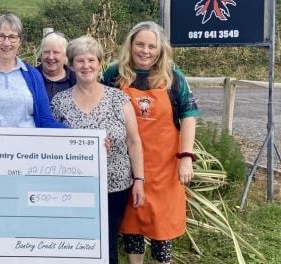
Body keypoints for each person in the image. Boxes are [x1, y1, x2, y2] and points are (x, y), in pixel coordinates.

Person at [103, 21, 200, 264]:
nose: (145, 51)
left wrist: (186, 157)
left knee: (162, 227)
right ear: (130, 45)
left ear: (160, 49)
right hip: (126, 165)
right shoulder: (114, 74)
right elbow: (100, 107)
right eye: (140, 45)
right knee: (132, 225)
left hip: (164, 167)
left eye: (151, 46)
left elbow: (188, 116)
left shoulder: (173, 76)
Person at [50, 36, 145, 264]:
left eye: (91, 60)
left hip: (114, 185)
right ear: (71, 65)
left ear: (100, 63)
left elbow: (134, 141)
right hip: (73, 186)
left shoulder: (118, 99)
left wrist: (139, 179)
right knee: (77, 242)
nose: (86, 66)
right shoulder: (59, 102)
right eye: (79, 61)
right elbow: (51, 143)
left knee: (107, 242)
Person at [0, 13, 66, 128]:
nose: (6, 43)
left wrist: (76, 136)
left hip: (26, 144)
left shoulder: (34, 75)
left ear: (20, 41)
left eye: (12, 37)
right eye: (1, 36)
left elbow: (45, 119)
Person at [36, 31, 76, 101]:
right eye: (46, 52)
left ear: (65, 55)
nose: (51, 57)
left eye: (56, 52)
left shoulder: (76, 80)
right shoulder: (31, 77)